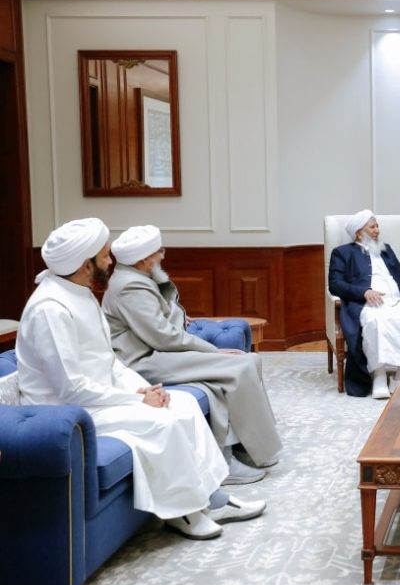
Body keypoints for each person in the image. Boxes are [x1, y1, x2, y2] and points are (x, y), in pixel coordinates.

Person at [16, 218, 265, 540]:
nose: (111, 261)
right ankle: (183, 512)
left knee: (185, 404)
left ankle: (212, 498)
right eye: (105, 256)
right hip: (65, 412)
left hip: (100, 396)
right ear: (84, 265)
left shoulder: (80, 292)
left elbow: (107, 360)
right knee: (161, 422)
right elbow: (71, 388)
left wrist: (142, 387)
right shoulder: (50, 308)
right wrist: (137, 400)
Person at [102, 225, 283, 485]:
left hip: (157, 352)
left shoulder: (136, 276)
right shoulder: (130, 287)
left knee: (250, 359)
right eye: (159, 251)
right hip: (143, 360)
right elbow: (162, 336)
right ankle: (226, 462)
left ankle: (249, 447)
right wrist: (214, 350)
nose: (163, 256)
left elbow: (160, 318)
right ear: (143, 259)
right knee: (238, 367)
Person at [328, 210, 400, 398]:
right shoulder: (342, 253)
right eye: (372, 227)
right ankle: (379, 376)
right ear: (358, 233)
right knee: (375, 322)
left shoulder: (386, 250)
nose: (377, 230)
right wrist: (363, 292)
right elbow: (335, 285)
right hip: (367, 304)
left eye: (377, 226)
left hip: (396, 301)